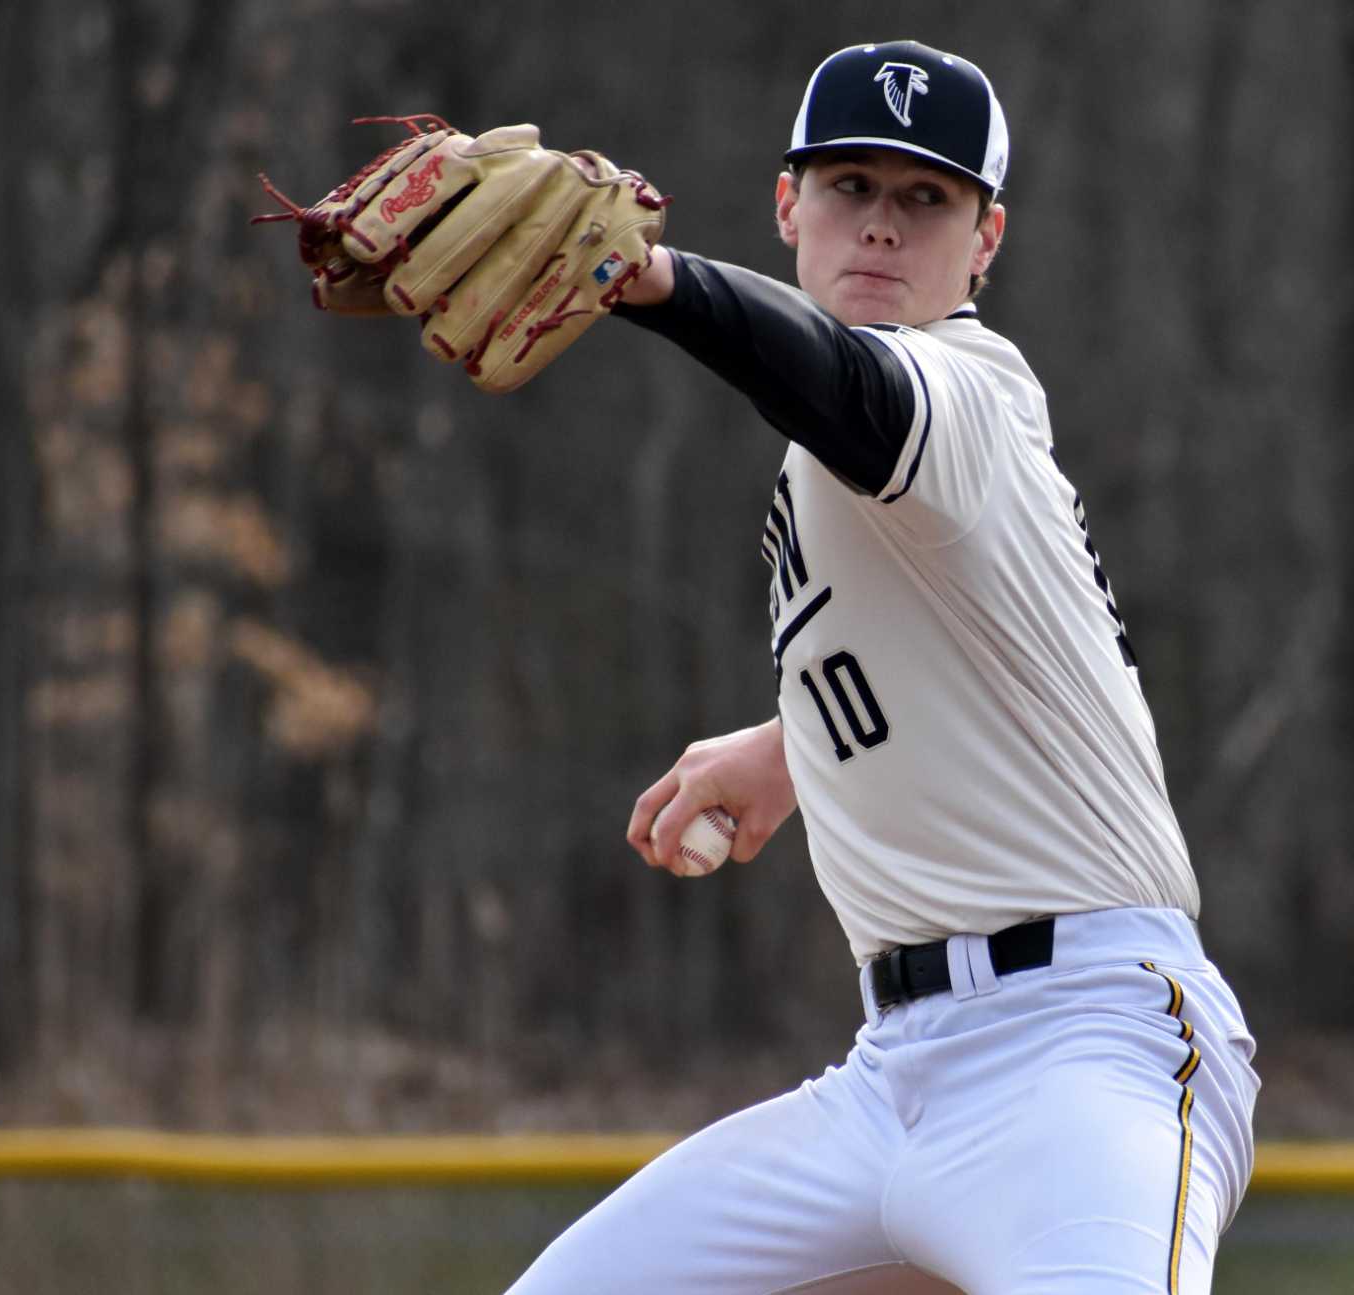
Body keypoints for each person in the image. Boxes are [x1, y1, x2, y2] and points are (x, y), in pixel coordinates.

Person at [508, 40, 1259, 1295]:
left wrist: (654, 282)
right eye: (851, 185)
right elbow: (987, 663)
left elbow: (845, 386)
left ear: (985, 241)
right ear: (788, 203)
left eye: (926, 199)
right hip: (888, 1075)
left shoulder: (966, 390)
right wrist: (791, 744)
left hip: (1091, 1047)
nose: (882, 226)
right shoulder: (855, 473)